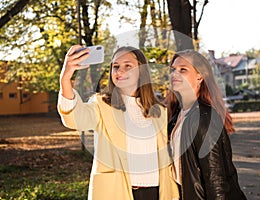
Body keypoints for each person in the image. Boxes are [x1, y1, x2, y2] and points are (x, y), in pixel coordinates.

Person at [57, 45, 179, 200]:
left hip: (156, 192)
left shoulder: (159, 111)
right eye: (116, 67)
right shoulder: (101, 104)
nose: (120, 71)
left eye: (128, 66)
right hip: (115, 191)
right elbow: (75, 119)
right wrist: (65, 78)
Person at [166, 49, 247, 200]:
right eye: (173, 70)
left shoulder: (205, 117)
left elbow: (215, 178)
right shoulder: (177, 116)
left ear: (200, 76)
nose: (174, 74)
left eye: (183, 70)